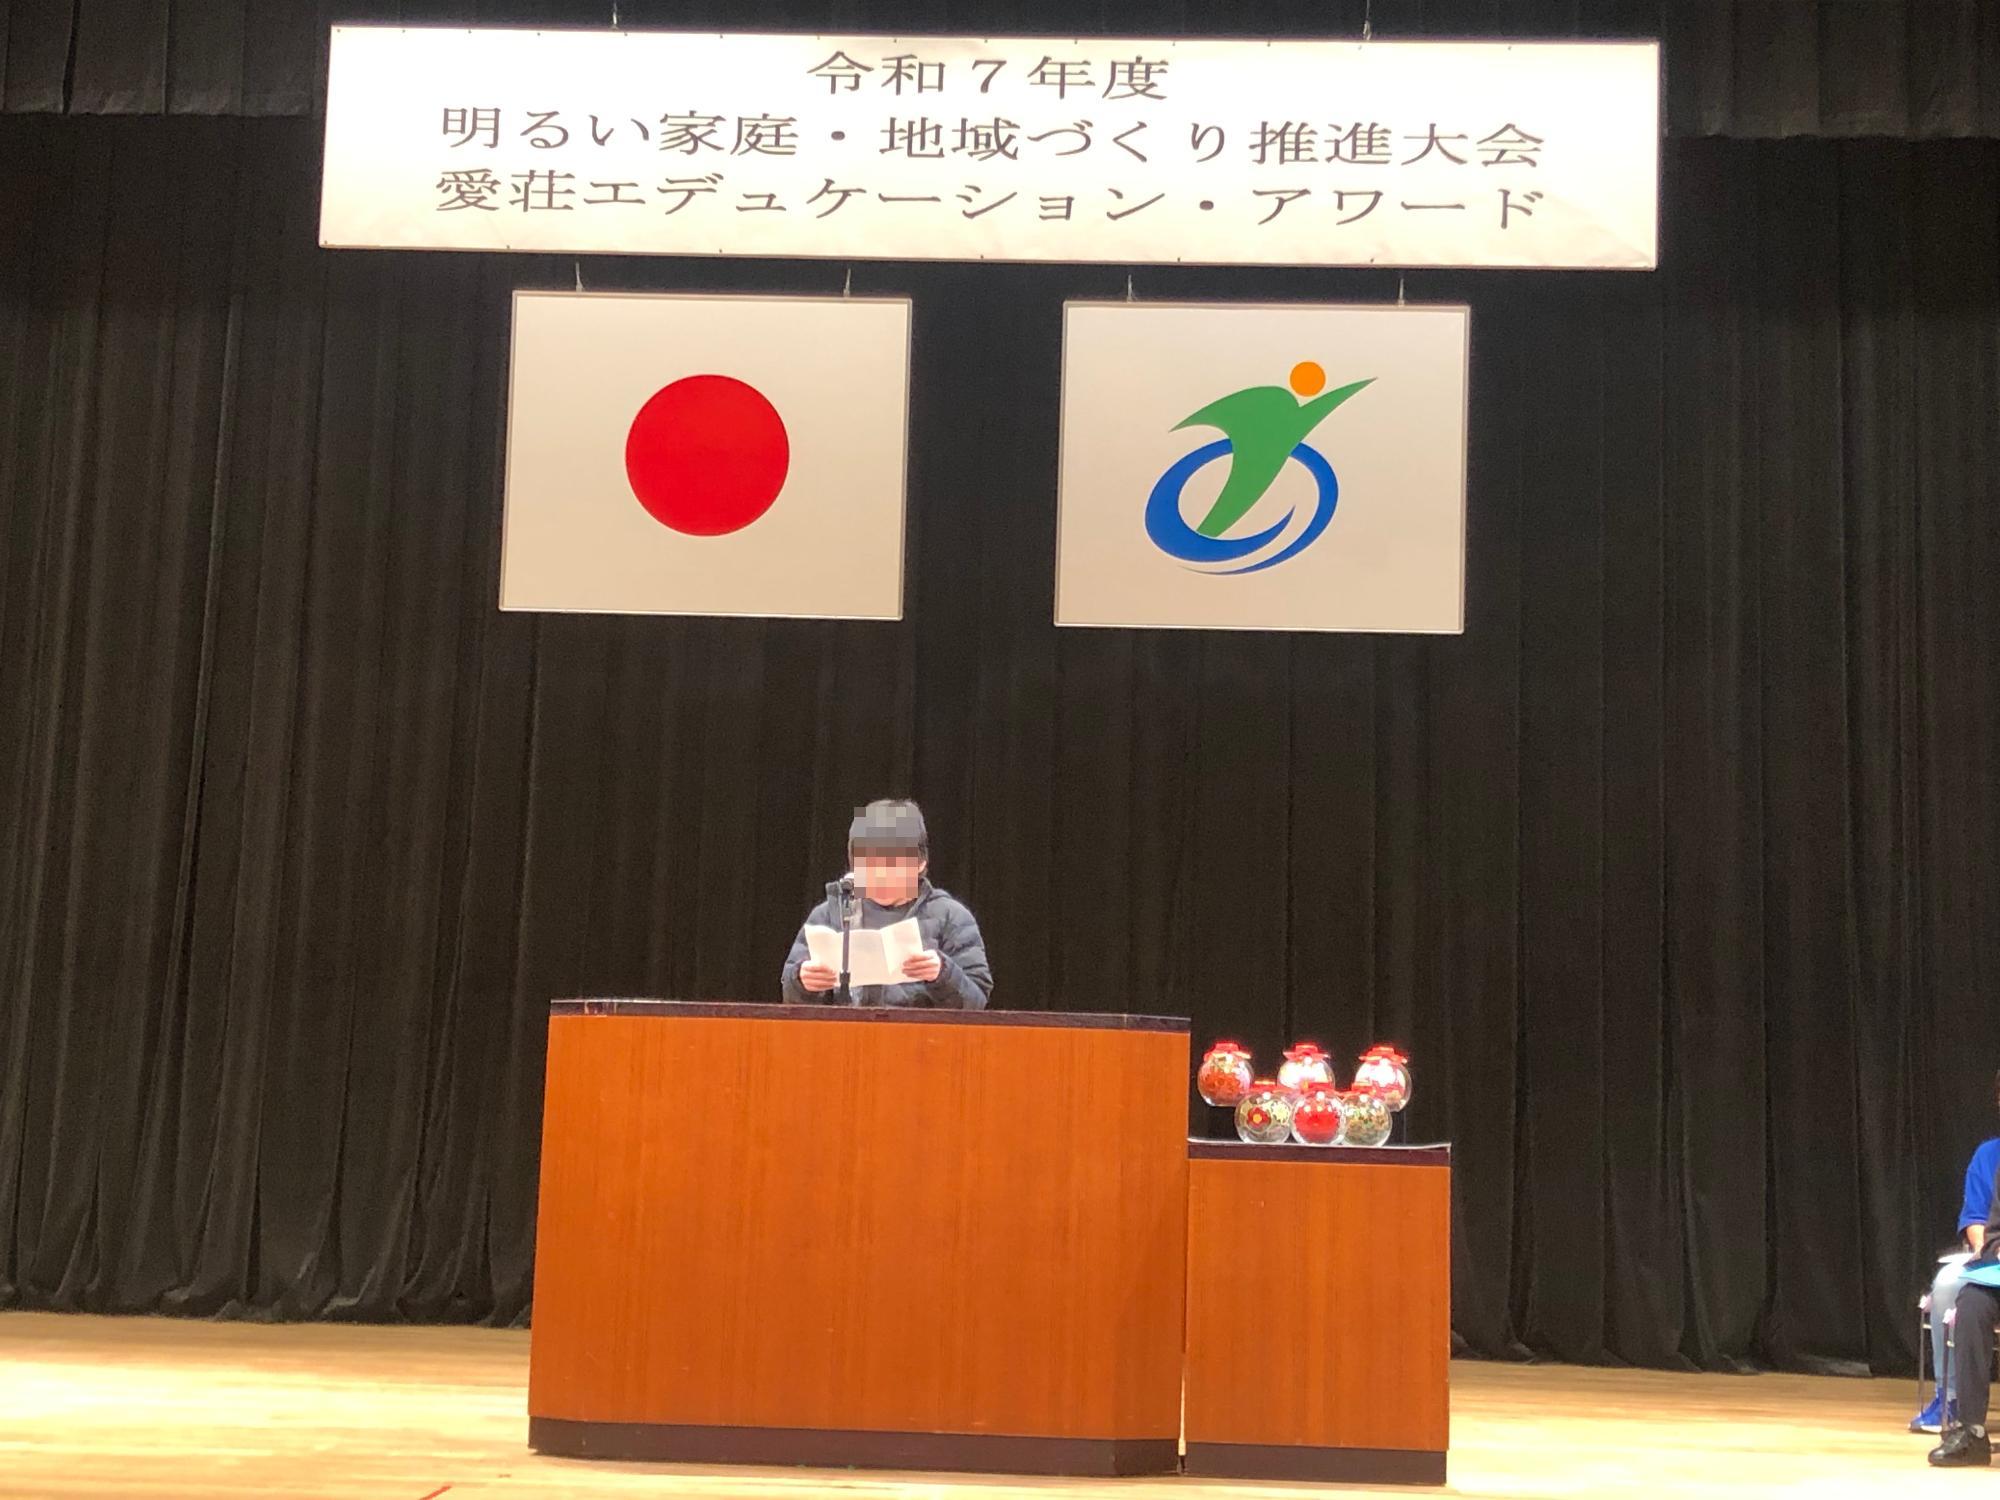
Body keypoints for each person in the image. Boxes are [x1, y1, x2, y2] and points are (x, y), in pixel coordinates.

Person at [779, 799, 993, 1010]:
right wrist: (802, 983)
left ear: (920, 863)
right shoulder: (831, 913)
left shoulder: (951, 916)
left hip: (922, 1032)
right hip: (847, 1031)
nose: (881, 874)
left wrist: (942, 973)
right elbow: (791, 995)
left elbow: (976, 1002)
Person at [1913, 1071, 2000, 1434]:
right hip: (1993, 1258)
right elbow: (1976, 1221)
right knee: (1948, 1283)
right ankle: (1950, 1397)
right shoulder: (1988, 1156)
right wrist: (1991, 1254)